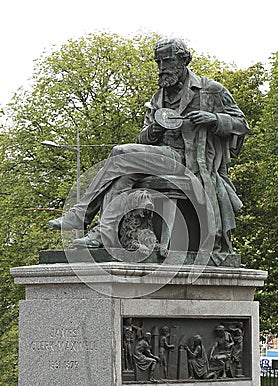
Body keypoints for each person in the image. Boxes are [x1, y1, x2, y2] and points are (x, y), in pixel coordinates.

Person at [48, 38, 249, 256]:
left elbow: (241, 125)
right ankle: (103, 233)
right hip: (162, 157)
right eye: (158, 62)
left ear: (184, 61)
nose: (162, 68)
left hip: (190, 160)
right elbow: (142, 140)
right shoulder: (157, 98)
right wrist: (154, 130)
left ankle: (81, 214)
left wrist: (214, 119)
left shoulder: (210, 90)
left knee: (120, 153)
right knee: (122, 176)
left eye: (167, 61)